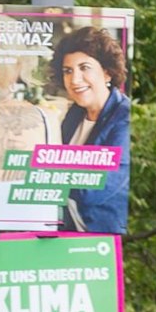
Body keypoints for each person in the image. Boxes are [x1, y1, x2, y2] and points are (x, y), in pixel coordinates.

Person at [48, 25, 131, 235]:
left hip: (105, 243)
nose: (75, 80)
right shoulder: (74, 115)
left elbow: (92, 190)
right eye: (68, 71)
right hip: (69, 234)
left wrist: (48, 177)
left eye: (84, 67)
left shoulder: (124, 119)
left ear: (107, 72)